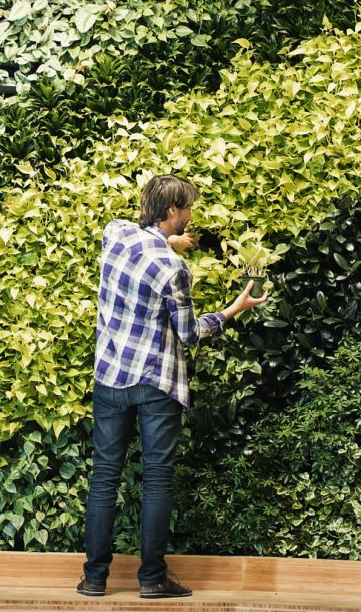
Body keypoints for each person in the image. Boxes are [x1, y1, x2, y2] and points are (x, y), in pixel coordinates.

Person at [77, 174, 269, 599]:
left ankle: (94, 579)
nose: (191, 215)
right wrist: (234, 309)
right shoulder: (173, 269)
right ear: (171, 213)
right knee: (157, 479)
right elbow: (189, 335)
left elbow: (142, 244)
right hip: (155, 383)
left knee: (104, 477)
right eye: (187, 209)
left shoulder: (116, 234)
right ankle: (151, 579)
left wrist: (169, 243)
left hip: (110, 377)